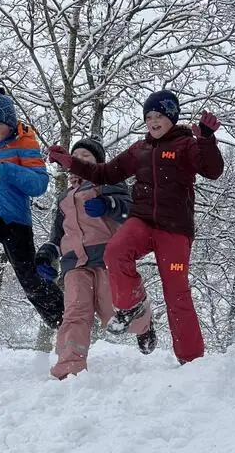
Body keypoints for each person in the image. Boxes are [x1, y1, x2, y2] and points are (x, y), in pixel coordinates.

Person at [47, 90, 224, 365]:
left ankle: (192, 360)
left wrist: (207, 139)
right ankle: (132, 304)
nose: (153, 122)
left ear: (172, 117)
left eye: (159, 116)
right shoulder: (139, 151)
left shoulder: (186, 145)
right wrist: (69, 162)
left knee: (176, 291)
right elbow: (104, 173)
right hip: (141, 222)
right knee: (115, 252)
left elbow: (212, 170)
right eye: (149, 117)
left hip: (174, 230)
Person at [35, 137, 150, 379]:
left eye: (86, 156)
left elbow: (130, 211)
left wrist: (108, 204)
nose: (79, 160)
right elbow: (59, 232)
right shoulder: (64, 197)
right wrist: (48, 252)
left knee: (112, 314)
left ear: (97, 162)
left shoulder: (107, 183)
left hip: (106, 259)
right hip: (74, 264)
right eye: (75, 155)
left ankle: (144, 323)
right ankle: (69, 368)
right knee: (75, 312)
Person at [0, 87, 63, 328]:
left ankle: (64, 320)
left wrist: (7, 170)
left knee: (30, 281)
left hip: (14, 221)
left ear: (10, 124)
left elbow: (39, 184)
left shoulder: (24, 143)